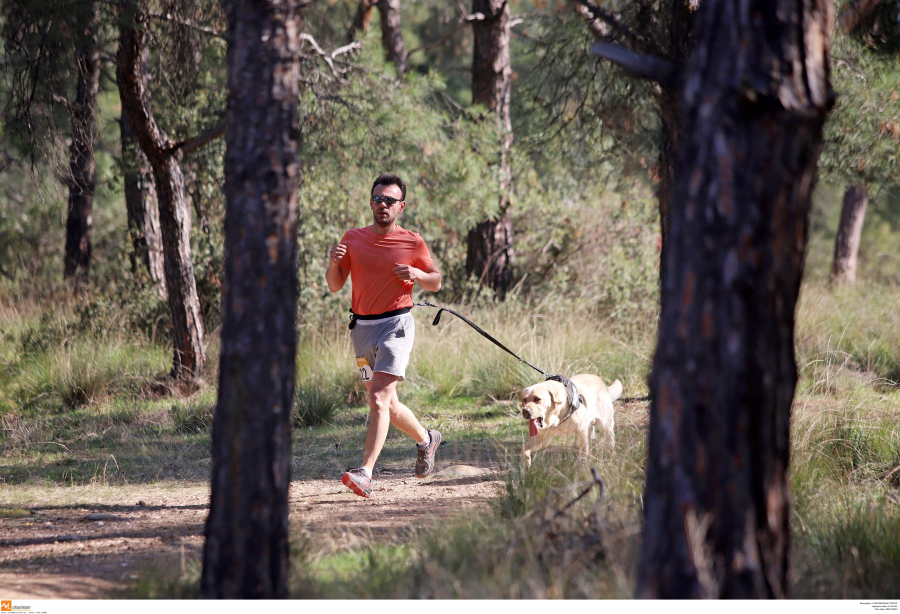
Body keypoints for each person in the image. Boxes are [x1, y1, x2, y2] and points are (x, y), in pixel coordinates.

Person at [326, 173, 443, 498]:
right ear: (370, 203)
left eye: (390, 200)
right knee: (387, 404)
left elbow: (435, 282)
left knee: (377, 398)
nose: (383, 205)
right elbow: (335, 285)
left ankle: (365, 473)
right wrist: (333, 263)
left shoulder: (412, 241)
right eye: (378, 199)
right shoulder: (353, 238)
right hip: (361, 331)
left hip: (396, 326)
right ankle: (426, 439)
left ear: (400, 206)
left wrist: (417, 273)